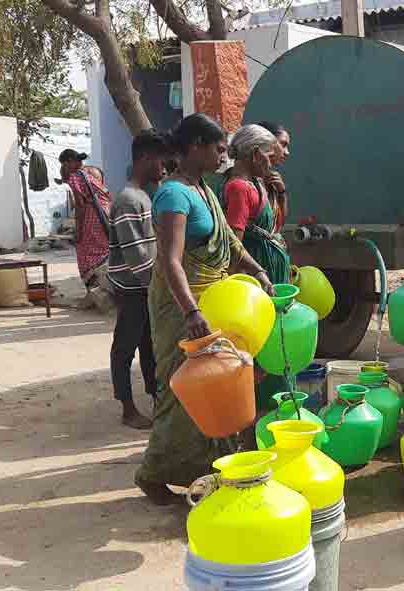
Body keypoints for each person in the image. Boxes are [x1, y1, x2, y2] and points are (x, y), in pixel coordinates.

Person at [135, 113, 275, 505]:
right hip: (180, 305)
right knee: (180, 391)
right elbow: (169, 260)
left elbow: (231, 242)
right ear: (195, 146)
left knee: (219, 386)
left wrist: (257, 269)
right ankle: (153, 473)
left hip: (212, 301)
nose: (223, 156)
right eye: (218, 149)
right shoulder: (173, 194)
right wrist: (192, 312)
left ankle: (210, 469)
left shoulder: (205, 190)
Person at [108, 131, 169, 430]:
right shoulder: (128, 201)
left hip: (146, 286)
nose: (164, 166)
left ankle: (156, 398)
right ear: (145, 158)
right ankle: (127, 407)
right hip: (134, 288)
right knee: (125, 346)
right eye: (160, 160)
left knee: (149, 346)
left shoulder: (146, 195)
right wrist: (160, 287)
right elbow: (136, 257)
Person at [223, 124, 291, 284]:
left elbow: (275, 223)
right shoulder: (239, 188)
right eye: (269, 156)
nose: (270, 163)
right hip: (256, 275)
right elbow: (235, 245)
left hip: (267, 270)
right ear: (255, 155)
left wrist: (281, 193)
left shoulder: (255, 184)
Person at [59, 149, 113, 290]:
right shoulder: (91, 172)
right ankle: (107, 283)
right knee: (105, 247)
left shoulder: (76, 176)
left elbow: (80, 205)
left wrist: (78, 230)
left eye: (64, 164)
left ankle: (95, 286)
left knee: (84, 247)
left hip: (93, 216)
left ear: (70, 161)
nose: (64, 168)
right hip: (106, 214)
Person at [256, 121, 292, 232]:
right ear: (266, 142)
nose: (287, 152)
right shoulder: (247, 183)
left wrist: (282, 192)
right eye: (283, 144)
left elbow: (278, 224)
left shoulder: (272, 180)